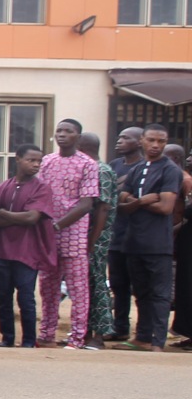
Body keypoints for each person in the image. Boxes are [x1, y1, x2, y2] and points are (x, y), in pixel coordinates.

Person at [116, 124, 181, 351]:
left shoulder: (170, 170)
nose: (155, 145)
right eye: (151, 140)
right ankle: (142, 336)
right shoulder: (137, 168)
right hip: (134, 242)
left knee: (160, 294)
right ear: (142, 140)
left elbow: (165, 207)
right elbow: (122, 201)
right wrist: (143, 200)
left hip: (158, 244)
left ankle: (157, 340)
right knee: (140, 292)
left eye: (161, 141)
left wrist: (134, 201)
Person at [36, 118, 99, 350]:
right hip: (47, 235)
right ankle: (46, 334)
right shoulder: (47, 161)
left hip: (73, 233)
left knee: (77, 289)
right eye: (59, 131)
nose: (62, 135)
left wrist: (59, 225)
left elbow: (86, 204)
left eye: (68, 131)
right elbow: (40, 193)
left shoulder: (87, 164)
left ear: (78, 137)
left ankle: (76, 338)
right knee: (48, 286)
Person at [0, 144, 57, 348]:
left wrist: (3, 214)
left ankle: (28, 340)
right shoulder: (4, 187)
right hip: (3, 250)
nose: (36, 164)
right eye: (31, 160)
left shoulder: (41, 188)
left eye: (39, 161)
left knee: (26, 298)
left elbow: (31, 217)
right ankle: (7, 338)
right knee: (3, 296)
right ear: (17, 159)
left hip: (27, 251)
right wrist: (11, 217)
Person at [102, 126, 144, 341]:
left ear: (139, 142)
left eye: (125, 138)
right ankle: (120, 327)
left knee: (139, 285)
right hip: (116, 234)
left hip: (136, 235)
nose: (119, 141)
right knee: (118, 285)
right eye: (119, 137)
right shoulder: (115, 165)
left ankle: (145, 332)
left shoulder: (144, 167)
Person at [78, 132, 117, 349]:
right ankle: (83, 333)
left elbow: (103, 208)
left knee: (97, 284)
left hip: (97, 238)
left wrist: (92, 241)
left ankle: (99, 335)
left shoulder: (101, 170)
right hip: (85, 236)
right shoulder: (89, 169)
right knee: (84, 284)